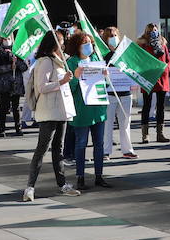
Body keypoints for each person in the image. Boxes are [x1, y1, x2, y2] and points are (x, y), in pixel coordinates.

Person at [22, 30, 82, 202]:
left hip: (61, 110)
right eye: (60, 41)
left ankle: (62, 184)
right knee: (42, 148)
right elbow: (42, 87)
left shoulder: (59, 61)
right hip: (49, 111)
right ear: (53, 43)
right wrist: (62, 81)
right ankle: (30, 187)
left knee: (58, 149)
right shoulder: (46, 61)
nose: (63, 45)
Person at [64, 30, 109, 190]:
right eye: (84, 43)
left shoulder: (96, 59)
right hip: (81, 109)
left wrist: (105, 76)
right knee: (81, 143)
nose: (88, 45)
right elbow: (67, 87)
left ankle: (99, 176)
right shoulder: (71, 62)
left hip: (98, 108)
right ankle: (80, 177)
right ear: (77, 45)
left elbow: (103, 84)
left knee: (99, 144)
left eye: (90, 42)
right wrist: (75, 77)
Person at [99, 27, 137, 159]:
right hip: (109, 94)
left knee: (125, 123)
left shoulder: (124, 53)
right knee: (107, 124)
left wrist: (134, 84)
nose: (113, 38)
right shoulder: (101, 55)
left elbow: (132, 69)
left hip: (125, 94)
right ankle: (105, 151)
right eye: (110, 36)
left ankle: (127, 150)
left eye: (115, 35)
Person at [137, 24, 170, 144]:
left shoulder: (163, 43)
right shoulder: (143, 44)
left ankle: (160, 134)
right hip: (148, 78)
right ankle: (145, 135)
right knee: (147, 106)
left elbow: (168, 60)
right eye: (151, 31)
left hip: (162, 77)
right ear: (147, 32)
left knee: (161, 106)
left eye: (155, 30)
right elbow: (139, 60)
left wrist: (166, 69)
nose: (154, 32)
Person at [0, 36, 28, 138]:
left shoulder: (18, 51)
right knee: (3, 108)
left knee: (16, 107)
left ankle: (18, 128)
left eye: (9, 38)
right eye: (5, 38)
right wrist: (9, 67)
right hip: (3, 85)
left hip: (16, 84)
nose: (7, 40)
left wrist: (17, 62)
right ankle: (1, 129)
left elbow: (24, 67)